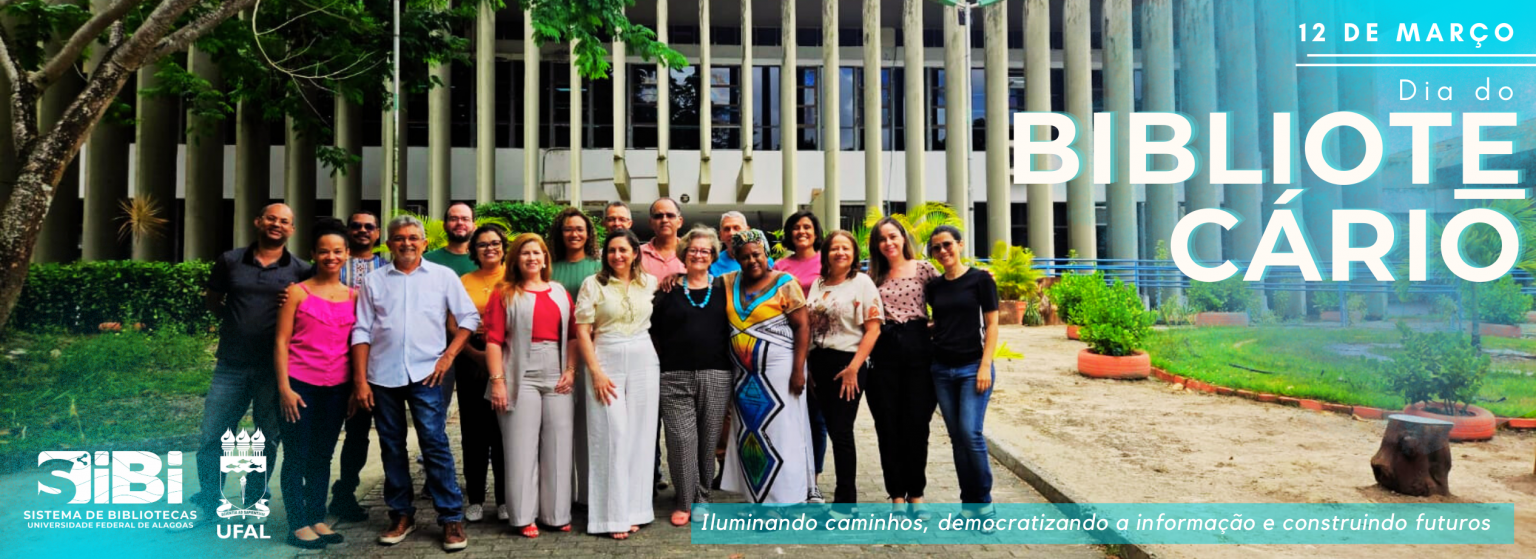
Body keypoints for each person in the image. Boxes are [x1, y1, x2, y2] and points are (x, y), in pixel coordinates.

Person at [351, 215, 479, 551]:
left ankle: (450, 517)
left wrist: (448, 357)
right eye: (399, 238)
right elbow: (361, 330)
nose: (406, 243)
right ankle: (401, 514)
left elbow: (469, 318)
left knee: (434, 443)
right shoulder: (374, 281)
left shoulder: (443, 276)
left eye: (412, 238)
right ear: (389, 244)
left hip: (427, 373)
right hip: (382, 375)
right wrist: (360, 381)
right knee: (391, 445)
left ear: (424, 243)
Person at [188, 203, 311, 527]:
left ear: (292, 229)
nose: (277, 224)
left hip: (274, 369)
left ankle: (255, 499)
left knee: (266, 439)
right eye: (271, 218)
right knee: (212, 436)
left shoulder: (301, 270)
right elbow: (213, 301)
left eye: (284, 221)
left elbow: (308, 314)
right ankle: (210, 501)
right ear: (258, 221)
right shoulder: (230, 261)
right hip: (230, 365)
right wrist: (235, 323)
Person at [486, 233, 579, 538]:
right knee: (520, 447)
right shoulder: (504, 293)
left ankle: (556, 514)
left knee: (559, 444)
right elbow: (494, 341)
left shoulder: (560, 292)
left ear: (545, 258)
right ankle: (524, 516)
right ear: (515, 259)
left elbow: (573, 336)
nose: (532, 258)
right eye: (525, 253)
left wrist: (571, 370)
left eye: (537, 253)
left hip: (557, 371)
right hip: (519, 374)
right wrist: (498, 382)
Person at [274, 219, 356, 549]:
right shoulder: (297, 292)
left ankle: (317, 516)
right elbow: (281, 342)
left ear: (347, 254)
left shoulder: (354, 296)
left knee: (323, 454)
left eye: (337, 251)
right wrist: (284, 388)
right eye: (324, 251)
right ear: (313, 254)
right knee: (297, 454)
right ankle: (297, 524)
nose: (330, 257)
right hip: (299, 385)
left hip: (337, 387)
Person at [574, 229, 660, 539]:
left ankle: (636, 511)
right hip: (606, 357)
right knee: (610, 435)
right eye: (611, 250)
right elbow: (582, 331)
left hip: (644, 358)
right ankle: (610, 517)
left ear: (635, 253)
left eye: (623, 250)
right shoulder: (593, 284)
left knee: (641, 436)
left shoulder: (650, 283)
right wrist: (595, 371)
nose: (617, 255)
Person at [719, 229, 815, 505]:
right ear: (736, 258)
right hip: (744, 377)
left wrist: (798, 370)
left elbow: (802, 326)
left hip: (781, 373)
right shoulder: (727, 282)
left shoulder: (786, 283)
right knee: (751, 433)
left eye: (756, 254)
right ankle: (757, 499)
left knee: (783, 433)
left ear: (766, 253)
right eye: (745, 256)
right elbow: (697, 282)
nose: (752, 260)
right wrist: (674, 278)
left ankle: (788, 498)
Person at [651, 226, 732, 526]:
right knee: (680, 440)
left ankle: (703, 498)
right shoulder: (667, 290)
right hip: (674, 375)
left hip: (716, 374)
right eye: (693, 250)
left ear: (713, 255)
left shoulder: (724, 289)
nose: (699, 255)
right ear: (684, 254)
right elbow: (654, 332)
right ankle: (685, 501)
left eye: (705, 250)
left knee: (708, 441)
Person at [865, 217, 939, 518]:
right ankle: (896, 494)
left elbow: (949, 298)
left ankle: (916, 494)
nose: (888, 243)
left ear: (903, 238)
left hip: (919, 351)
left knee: (917, 426)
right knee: (888, 427)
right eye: (882, 239)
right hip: (884, 354)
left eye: (892, 236)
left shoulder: (924, 269)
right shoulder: (871, 277)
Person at [804, 230, 883, 512]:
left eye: (846, 248)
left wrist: (853, 369)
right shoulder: (818, 284)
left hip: (847, 364)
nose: (840, 253)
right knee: (823, 428)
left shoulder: (862, 282)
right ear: (825, 253)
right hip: (818, 363)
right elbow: (811, 327)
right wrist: (808, 366)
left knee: (841, 432)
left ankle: (846, 503)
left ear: (854, 254)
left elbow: (873, 330)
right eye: (834, 248)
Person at [924, 225, 999, 521]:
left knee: (971, 433)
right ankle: (969, 505)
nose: (943, 251)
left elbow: (992, 325)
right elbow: (940, 321)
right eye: (936, 248)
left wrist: (985, 365)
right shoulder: (935, 287)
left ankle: (984, 503)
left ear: (960, 244)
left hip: (973, 368)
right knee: (957, 438)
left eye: (947, 244)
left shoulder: (981, 280)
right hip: (941, 369)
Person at [331, 210, 387, 521]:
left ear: (377, 233)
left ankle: (345, 493)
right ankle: (311, 495)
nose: (363, 230)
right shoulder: (332, 263)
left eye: (369, 226)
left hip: (373, 363)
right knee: (324, 433)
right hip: (332, 359)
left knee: (358, 433)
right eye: (356, 226)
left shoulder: (388, 267)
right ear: (348, 231)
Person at [547, 206, 601, 509]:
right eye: (568, 228)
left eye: (579, 228)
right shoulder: (548, 267)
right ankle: (562, 494)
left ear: (588, 233)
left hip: (592, 351)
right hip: (554, 353)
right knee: (560, 426)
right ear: (560, 233)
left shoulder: (599, 266)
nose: (574, 234)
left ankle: (590, 494)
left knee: (589, 426)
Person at [457, 226, 511, 523]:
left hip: (508, 355)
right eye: (482, 244)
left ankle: (505, 499)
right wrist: (473, 354)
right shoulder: (464, 281)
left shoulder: (514, 278)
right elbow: (451, 323)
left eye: (495, 243)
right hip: (471, 355)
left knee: (504, 430)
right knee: (474, 432)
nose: (490, 248)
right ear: (474, 250)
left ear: (503, 247)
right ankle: (476, 498)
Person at [772, 209, 827, 489]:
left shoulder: (827, 261)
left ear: (816, 232)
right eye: (796, 227)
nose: (801, 231)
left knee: (817, 416)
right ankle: (790, 473)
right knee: (790, 413)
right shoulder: (780, 265)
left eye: (807, 227)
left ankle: (813, 478)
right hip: (787, 345)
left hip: (822, 346)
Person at [423, 201, 478, 409]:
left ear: (473, 225)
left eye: (465, 219)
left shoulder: (484, 261)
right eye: (454, 219)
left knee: (475, 409)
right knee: (435, 406)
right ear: (445, 225)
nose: (460, 223)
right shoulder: (427, 260)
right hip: (436, 345)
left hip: (475, 343)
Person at [710, 211, 775, 276]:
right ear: (721, 235)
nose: (731, 233)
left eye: (736, 228)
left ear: (747, 231)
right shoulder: (713, 264)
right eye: (727, 229)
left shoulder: (764, 261)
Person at [639, 198, 685, 279]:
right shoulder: (637, 254)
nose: (664, 220)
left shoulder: (691, 253)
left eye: (670, 215)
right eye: (658, 216)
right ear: (651, 222)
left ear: (680, 222)